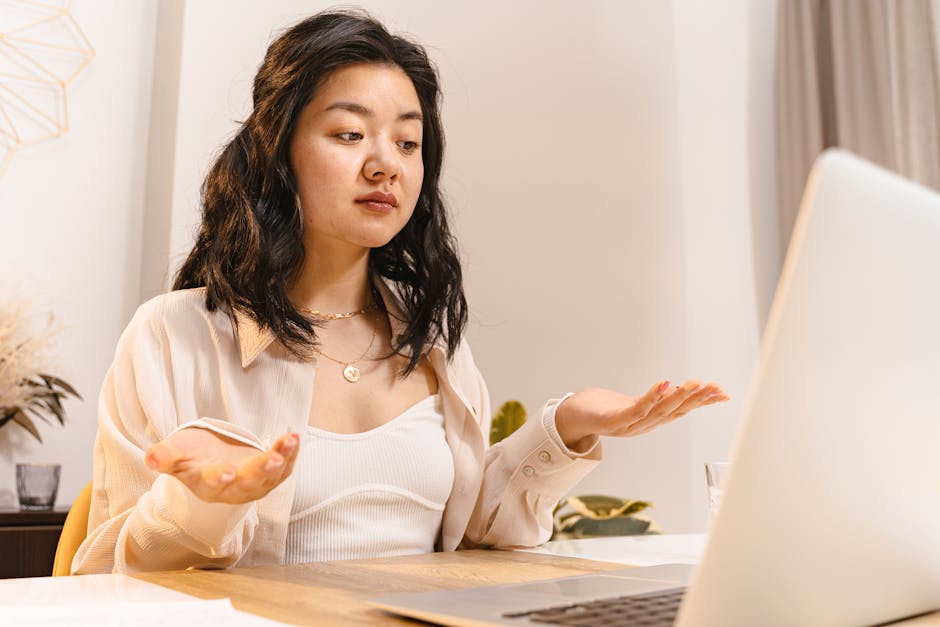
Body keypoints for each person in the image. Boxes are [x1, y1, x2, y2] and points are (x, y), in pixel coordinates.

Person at [72, 10, 729, 574]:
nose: (385, 161)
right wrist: (202, 500)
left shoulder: (431, 335)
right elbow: (104, 578)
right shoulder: (171, 335)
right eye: (349, 134)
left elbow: (474, 533)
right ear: (278, 151)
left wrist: (565, 426)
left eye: (408, 141)